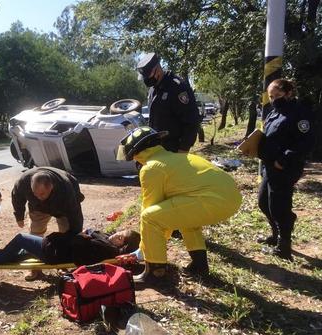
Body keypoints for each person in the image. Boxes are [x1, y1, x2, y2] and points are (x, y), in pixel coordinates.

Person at [116, 127, 242, 284]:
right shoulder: (177, 158)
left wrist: (143, 250)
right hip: (231, 198)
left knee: (149, 218)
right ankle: (199, 265)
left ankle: (156, 273)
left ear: (137, 152)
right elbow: (167, 213)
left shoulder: (151, 168)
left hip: (214, 200)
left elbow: (152, 211)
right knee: (185, 219)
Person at [257, 79, 315, 260]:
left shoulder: (300, 114)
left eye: (278, 95)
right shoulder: (275, 112)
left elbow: (306, 143)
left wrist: (283, 160)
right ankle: (275, 234)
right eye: (271, 96)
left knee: (279, 207)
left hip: (285, 167)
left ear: (289, 93)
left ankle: (284, 246)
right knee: (264, 203)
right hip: (270, 166)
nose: (274, 99)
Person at [11, 167, 85, 280]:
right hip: (37, 208)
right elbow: (17, 196)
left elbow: (75, 213)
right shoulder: (24, 181)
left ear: (51, 187)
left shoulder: (66, 188)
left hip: (62, 209)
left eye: (42, 194)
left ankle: (62, 265)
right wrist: (19, 216)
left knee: (67, 236)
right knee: (34, 236)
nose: (39, 197)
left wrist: (76, 235)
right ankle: (34, 268)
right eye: (35, 194)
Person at [136, 53, 201, 153]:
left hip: (174, 150)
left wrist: (184, 148)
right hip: (157, 149)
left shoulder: (177, 87)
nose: (146, 79)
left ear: (157, 69)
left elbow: (192, 121)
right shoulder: (153, 90)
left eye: (148, 75)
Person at [0, 229, 140, 267]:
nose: (115, 235)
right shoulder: (108, 243)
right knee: (25, 251)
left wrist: (83, 236)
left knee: (21, 238)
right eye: (119, 232)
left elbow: (81, 253)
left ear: (122, 246)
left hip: (54, 252)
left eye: (120, 238)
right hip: (56, 249)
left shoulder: (107, 249)